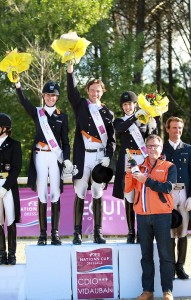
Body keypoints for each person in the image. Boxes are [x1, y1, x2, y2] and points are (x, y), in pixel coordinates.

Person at [15, 80, 72, 246]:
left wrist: (66, 158)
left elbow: (65, 141)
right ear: (43, 96)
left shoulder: (62, 117)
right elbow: (24, 102)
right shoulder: (37, 113)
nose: (51, 98)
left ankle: (54, 234)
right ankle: (42, 234)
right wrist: (18, 85)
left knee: (55, 193)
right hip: (40, 155)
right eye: (48, 94)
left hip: (55, 157)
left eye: (53, 95)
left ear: (57, 97)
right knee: (41, 194)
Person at [67, 63, 116, 245]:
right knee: (79, 191)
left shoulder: (108, 112)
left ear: (102, 92)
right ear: (88, 91)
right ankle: (77, 233)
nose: (95, 93)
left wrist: (108, 156)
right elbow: (71, 92)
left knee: (97, 193)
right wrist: (70, 70)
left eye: (98, 91)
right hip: (83, 155)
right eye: (92, 90)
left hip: (99, 157)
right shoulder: (81, 105)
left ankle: (98, 232)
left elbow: (111, 139)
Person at [125, 134, 177, 300]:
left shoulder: (170, 166)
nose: (153, 149)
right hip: (142, 216)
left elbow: (167, 188)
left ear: (161, 149)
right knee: (146, 255)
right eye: (150, 146)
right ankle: (148, 291)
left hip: (162, 215)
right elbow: (128, 189)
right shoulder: (139, 167)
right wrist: (128, 173)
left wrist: (146, 180)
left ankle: (167, 291)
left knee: (165, 255)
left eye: (156, 146)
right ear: (146, 148)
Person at [112, 91, 158, 243]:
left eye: (130, 104)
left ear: (135, 105)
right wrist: (136, 115)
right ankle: (131, 231)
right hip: (128, 159)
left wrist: (150, 118)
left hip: (142, 158)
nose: (127, 107)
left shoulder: (145, 120)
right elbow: (119, 130)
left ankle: (142, 231)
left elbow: (153, 137)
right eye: (125, 104)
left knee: (143, 194)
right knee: (129, 195)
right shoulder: (119, 121)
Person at [163, 116, 191, 279]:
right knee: (168, 232)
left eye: (180, 128)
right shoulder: (161, 149)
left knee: (182, 231)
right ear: (167, 129)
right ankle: (169, 267)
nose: (177, 131)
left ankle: (180, 267)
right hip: (166, 194)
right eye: (174, 128)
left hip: (183, 193)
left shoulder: (188, 149)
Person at [0, 113, 22, 265]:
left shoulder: (14, 145)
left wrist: (5, 187)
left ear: (4, 128)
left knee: (10, 219)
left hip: (8, 186)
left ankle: (12, 254)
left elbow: (16, 168)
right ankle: (1, 255)